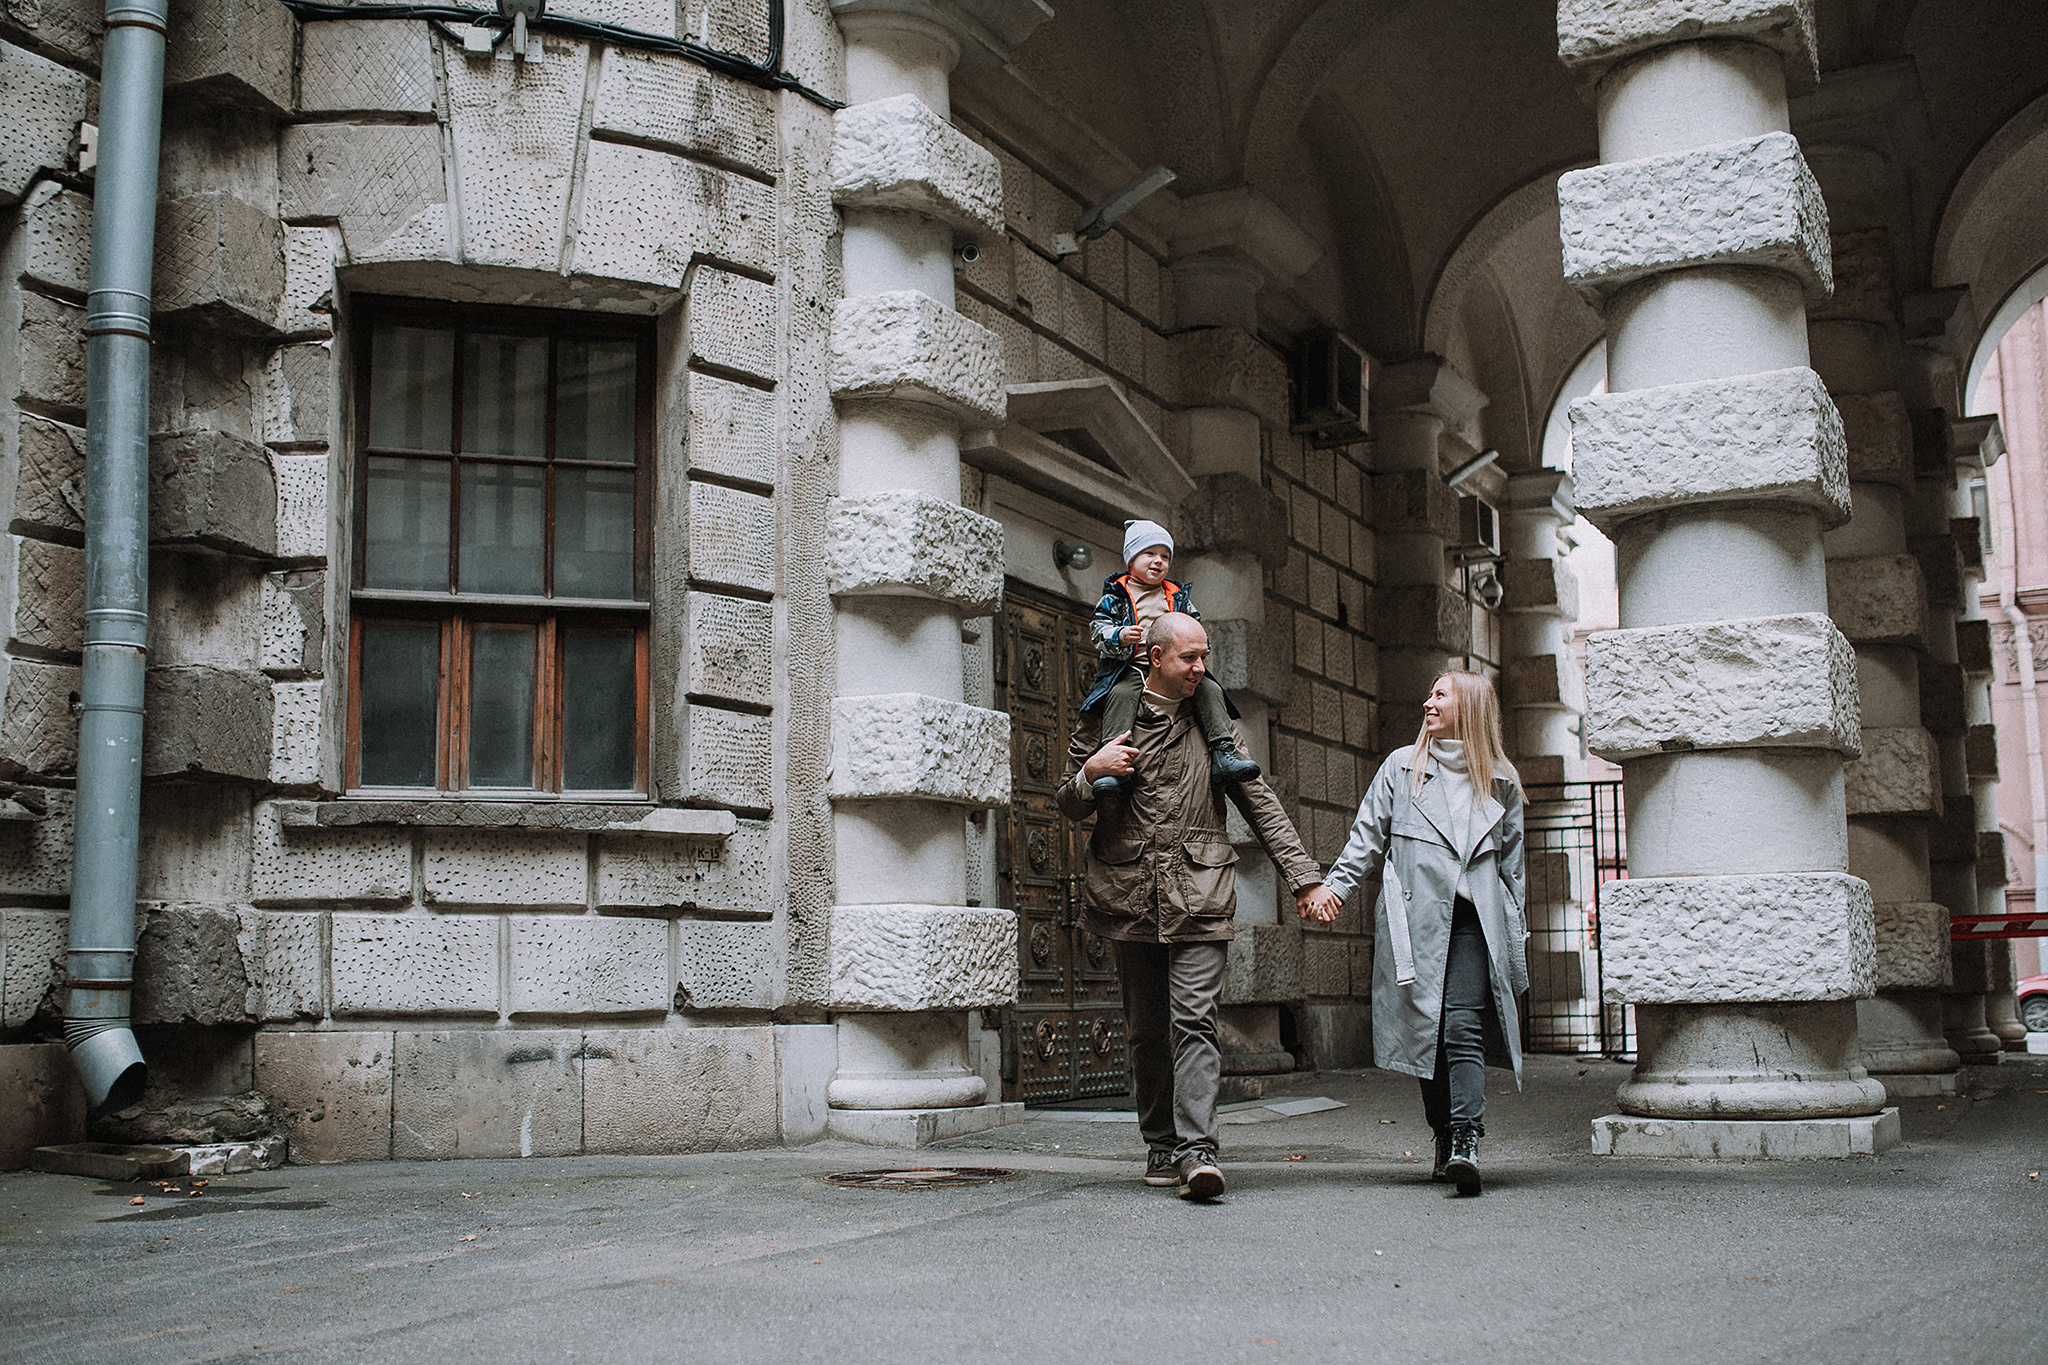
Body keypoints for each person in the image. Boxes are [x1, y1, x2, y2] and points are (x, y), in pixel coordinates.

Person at [1059, 611, 1337, 1200]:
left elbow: (1259, 801)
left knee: (1194, 1021)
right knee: (1147, 1032)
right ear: (1155, 657)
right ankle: (1161, 1140)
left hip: (1200, 892)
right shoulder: (1108, 714)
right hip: (1129, 892)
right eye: (1190, 658)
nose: (1201, 669)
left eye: (1204, 656)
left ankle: (1198, 1151)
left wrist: (1305, 879)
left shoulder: (1214, 726)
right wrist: (1091, 771)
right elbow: (1067, 800)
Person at [1312, 671, 1528, 1197]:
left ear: (1468, 708)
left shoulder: (1501, 779)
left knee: (1460, 1026)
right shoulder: (1400, 768)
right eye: (1429, 692)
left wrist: (1517, 938)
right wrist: (1334, 889)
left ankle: (1467, 1139)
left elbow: (1513, 870)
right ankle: (1444, 1135)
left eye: (1439, 694)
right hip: (1417, 924)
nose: (1427, 701)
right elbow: (1366, 837)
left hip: (1477, 924)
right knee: (1427, 1036)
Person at [1083, 520, 1260, 798]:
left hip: (1172, 668)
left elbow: (1195, 628)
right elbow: (1097, 630)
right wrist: (1118, 635)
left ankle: (1223, 753)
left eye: (1165, 556)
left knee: (1211, 689)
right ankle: (1113, 763)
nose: (1158, 561)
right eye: (1149, 554)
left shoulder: (1177, 596)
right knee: (1120, 696)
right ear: (1131, 560)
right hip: (1130, 666)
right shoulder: (1115, 595)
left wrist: (1193, 649)